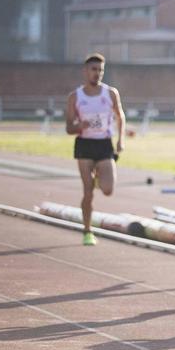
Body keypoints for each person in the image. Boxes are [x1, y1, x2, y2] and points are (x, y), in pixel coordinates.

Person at [65, 53, 126, 246]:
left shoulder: (110, 93)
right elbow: (68, 127)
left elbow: (120, 116)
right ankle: (87, 230)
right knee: (88, 191)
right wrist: (80, 126)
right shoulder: (75, 96)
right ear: (85, 71)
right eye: (94, 69)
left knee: (107, 189)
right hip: (85, 145)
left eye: (101, 70)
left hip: (104, 143)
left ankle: (100, 175)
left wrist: (120, 140)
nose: (97, 73)